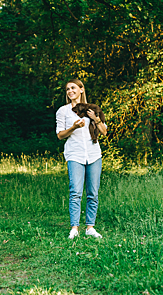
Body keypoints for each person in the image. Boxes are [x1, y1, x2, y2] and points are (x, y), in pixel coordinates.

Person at [56, 79, 107, 239]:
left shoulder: (92, 109)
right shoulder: (63, 111)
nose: (70, 91)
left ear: (81, 89)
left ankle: (90, 227)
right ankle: (74, 228)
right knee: (75, 192)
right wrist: (73, 128)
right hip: (74, 154)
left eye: (73, 88)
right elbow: (60, 135)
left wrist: (95, 118)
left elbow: (104, 132)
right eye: (67, 89)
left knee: (93, 192)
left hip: (93, 154)